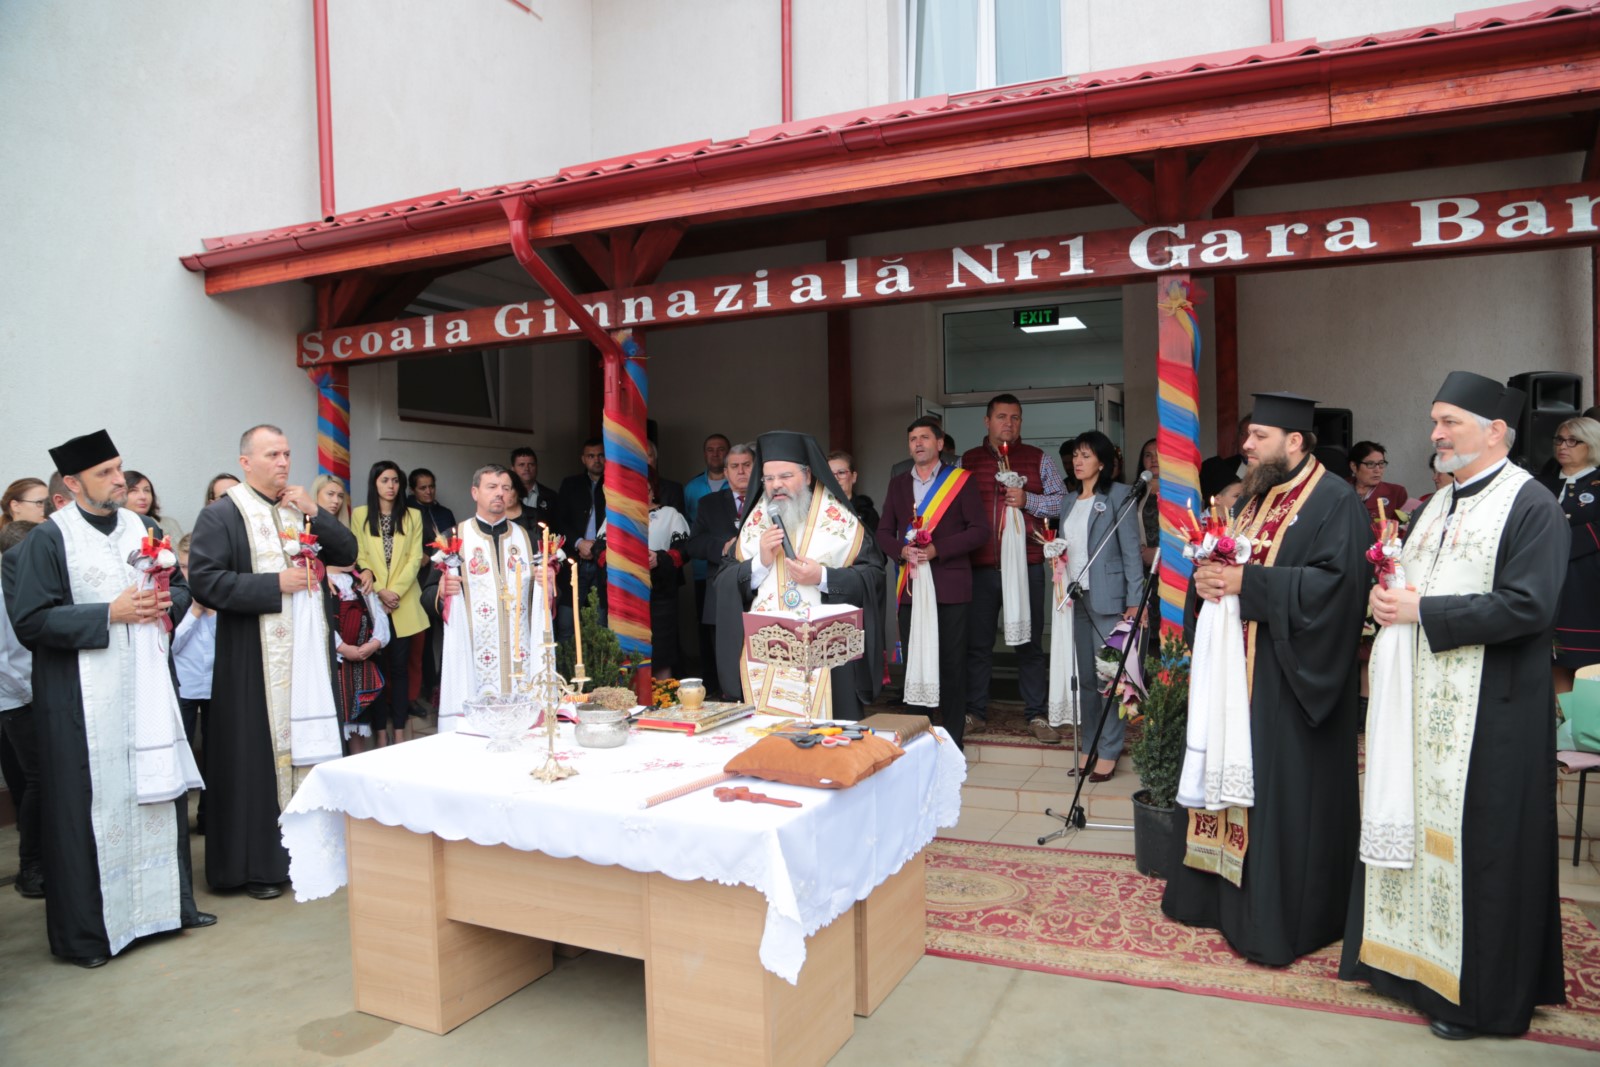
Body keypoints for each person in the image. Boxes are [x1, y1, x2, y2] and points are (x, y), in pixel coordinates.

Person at [1342, 371, 1569, 1040]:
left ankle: (1478, 997)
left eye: (1449, 422)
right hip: (1422, 708)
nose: (1435, 433)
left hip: (1494, 711)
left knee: (1483, 848)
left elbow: (1529, 607)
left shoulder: (1532, 504)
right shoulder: (1438, 503)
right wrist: (1388, 596)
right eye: (1434, 421)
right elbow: (1413, 584)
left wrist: (1421, 610)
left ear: (1496, 431)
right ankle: (1406, 966)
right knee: (1417, 832)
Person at [1161, 392, 1369, 967]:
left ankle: (1274, 920)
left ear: (1294, 441)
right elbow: (1229, 569)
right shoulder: (1254, 498)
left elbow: (1338, 589)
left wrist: (1245, 585)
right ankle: (1215, 900)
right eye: (1247, 436)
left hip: (1286, 680)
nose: (1246, 446)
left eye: (1258, 437)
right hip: (1235, 676)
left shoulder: (1335, 500)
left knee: (1279, 798)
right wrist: (1207, 581)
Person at [6, 430, 214, 966]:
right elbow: (31, 621)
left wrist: (167, 602)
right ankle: (90, 935)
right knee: (87, 809)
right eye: (105, 473)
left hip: (146, 690)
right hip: (83, 705)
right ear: (72, 484)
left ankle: (169, 909)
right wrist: (109, 613)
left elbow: (180, 589)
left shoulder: (144, 528)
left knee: (157, 793)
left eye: (119, 468)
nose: (120, 480)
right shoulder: (49, 539)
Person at [187, 424, 357, 900]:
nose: (283, 462)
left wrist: (315, 512)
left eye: (286, 453)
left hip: (307, 658)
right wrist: (273, 585)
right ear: (246, 462)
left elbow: (347, 552)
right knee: (256, 760)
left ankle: (315, 852)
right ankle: (260, 866)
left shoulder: (298, 508)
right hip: (253, 661)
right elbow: (204, 581)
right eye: (272, 455)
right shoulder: (223, 514)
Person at [715, 431, 887, 720]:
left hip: (829, 660)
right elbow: (724, 581)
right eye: (768, 478)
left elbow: (873, 578)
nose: (776, 485)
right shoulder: (755, 523)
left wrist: (823, 577)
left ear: (807, 475)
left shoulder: (843, 523)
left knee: (827, 740)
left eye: (785, 476)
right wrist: (759, 563)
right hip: (766, 655)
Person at [877, 417, 989, 745]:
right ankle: (917, 741)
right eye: (913, 438)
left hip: (950, 587)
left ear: (940, 444)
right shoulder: (898, 484)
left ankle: (952, 740)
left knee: (952, 664)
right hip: (911, 587)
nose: (918, 443)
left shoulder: (961, 481)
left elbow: (979, 531)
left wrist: (939, 549)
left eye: (925, 437)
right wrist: (901, 550)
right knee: (916, 663)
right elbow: (883, 532)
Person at [960, 394, 1065, 744]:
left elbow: (1061, 501)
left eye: (1015, 417)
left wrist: (1027, 500)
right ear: (987, 421)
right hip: (980, 566)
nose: (1009, 423)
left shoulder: (1038, 458)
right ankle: (975, 712)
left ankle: (1036, 715)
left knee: (1030, 643)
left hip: (1027, 565)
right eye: (1002, 416)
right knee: (978, 644)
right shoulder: (967, 461)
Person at [420, 465, 554, 732]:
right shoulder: (453, 539)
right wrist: (442, 591)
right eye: (492, 487)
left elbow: (542, 602)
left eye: (506, 488)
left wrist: (549, 586)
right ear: (475, 492)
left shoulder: (528, 539)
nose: (500, 493)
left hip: (520, 654)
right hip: (474, 655)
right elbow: (426, 596)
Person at [1059, 431, 1143, 778]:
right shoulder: (1068, 501)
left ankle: (1110, 748)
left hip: (1110, 599)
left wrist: (1136, 600)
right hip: (1077, 598)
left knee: (1110, 677)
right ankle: (1090, 745)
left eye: (1086, 456)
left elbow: (1131, 553)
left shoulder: (1119, 496)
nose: (1078, 462)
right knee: (1087, 679)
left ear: (1103, 463)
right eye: (1076, 456)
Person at [352, 461, 427, 746]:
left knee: (399, 668)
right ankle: (380, 733)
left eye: (395, 480)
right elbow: (359, 555)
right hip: (373, 601)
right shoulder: (360, 514)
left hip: (402, 601)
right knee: (377, 669)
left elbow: (414, 558)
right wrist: (380, 591)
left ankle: (399, 732)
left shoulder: (412, 515)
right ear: (375, 483)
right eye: (385, 480)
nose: (391, 486)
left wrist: (393, 592)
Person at [685, 442, 753, 700]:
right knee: (726, 663)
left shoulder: (767, 499)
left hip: (761, 593)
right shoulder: (709, 503)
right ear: (725, 472)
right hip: (721, 592)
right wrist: (722, 547)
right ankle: (730, 701)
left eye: (747, 465)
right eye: (734, 466)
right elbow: (693, 544)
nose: (741, 471)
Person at [1538, 415, 1600, 694]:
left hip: (1586, 581)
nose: (1563, 446)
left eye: (1573, 441)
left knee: (1586, 662)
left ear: (1592, 444)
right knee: (1554, 659)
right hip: (1546, 581)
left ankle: (1585, 717)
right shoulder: (1540, 484)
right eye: (1560, 440)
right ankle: (1560, 717)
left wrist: (1556, 545)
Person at [0, 519, 41, 897]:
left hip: (39, 695)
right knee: (36, 781)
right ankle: (31, 867)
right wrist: (31, 694)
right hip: (19, 701)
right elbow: (4, 661)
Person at [172, 534, 216, 835]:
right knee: (181, 750)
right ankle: (177, 820)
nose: (190, 574)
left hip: (213, 685)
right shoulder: (174, 597)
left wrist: (210, 614)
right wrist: (194, 613)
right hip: (184, 687)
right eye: (184, 567)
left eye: (195, 567)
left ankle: (207, 817)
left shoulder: (217, 597)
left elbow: (226, 644)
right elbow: (171, 645)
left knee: (214, 753)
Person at [405, 468, 454, 723]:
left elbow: (453, 542)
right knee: (423, 639)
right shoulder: (407, 511)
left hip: (445, 580)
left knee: (447, 633)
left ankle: (444, 684)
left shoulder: (444, 513)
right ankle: (426, 686)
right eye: (422, 488)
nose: (428, 491)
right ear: (413, 490)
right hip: (419, 579)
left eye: (431, 486)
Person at [684, 433, 731, 686]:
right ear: (704, 454)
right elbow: (689, 528)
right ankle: (710, 681)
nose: (715, 454)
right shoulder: (692, 488)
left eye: (720, 449)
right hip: (703, 569)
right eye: (710, 449)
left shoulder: (739, 484)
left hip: (733, 569)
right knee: (705, 626)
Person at [557, 438, 607, 637]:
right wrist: (579, 542)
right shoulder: (571, 484)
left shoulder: (615, 485)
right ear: (583, 459)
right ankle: (566, 659)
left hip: (604, 561)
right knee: (566, 622)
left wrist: (598, 547)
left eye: (601, 455)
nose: (596, 460)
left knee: (601, 622)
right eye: (591, 456)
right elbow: (559, 520)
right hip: (574, 560)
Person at [1347, 441, 1408, 526]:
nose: (1377, 470)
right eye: (1370, 464)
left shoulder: (1397, 493)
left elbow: (1403, 527)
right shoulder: (1339, 489)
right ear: (1353, 466)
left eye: (1381, 463)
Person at [1199, 413, 1251, 501]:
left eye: (1252, 435)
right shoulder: (1221, 467)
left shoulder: (1273, 472)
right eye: (1242, 434)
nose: (1246, 440)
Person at [828, 450, 879, 535]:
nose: (836, 478)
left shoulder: (867, 512)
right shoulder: (818, 508)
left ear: (854, 477)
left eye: (841, 472)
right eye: (830, 474)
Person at [124, 469, 183, 541]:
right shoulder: (116, 529)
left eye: (147, 490)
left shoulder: (170, 525)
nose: (143, 496)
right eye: (133, 490)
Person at [510, 448, 556, 532]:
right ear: (513, 468)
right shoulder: (505, 495)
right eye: (521, 465)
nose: (526, 468)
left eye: (531, 464)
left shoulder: (551, 496)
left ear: (536, 467)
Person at [1135, 438, 1160, 568]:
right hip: (1138, 562)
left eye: (1158, 454)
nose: (1154, 459)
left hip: (1169, 564)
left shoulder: (1179, 493)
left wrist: (1158, 553)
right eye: (1148, 455)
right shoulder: (1133, 492)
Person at [646, 439, 686, 514]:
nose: (644, 460)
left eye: (648, 456)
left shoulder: (673, 490)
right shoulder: (624, 488)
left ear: (656, 460)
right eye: (640, 456)